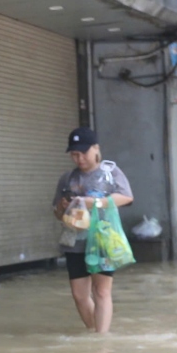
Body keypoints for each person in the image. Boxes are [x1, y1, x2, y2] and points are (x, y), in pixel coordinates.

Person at [53, 128, 133, 334]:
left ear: (96, 149)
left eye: (83, 153)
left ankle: (101, 338)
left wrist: (95, 202)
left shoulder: (110, 172)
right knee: (80, 296)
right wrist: (62, 207)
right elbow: (56, 212)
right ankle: (94, 331)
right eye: (74, 154)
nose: (79, 159)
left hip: (103, 240)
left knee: (101, 291)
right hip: (75, 241)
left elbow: (126, 197)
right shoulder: (67, 178)